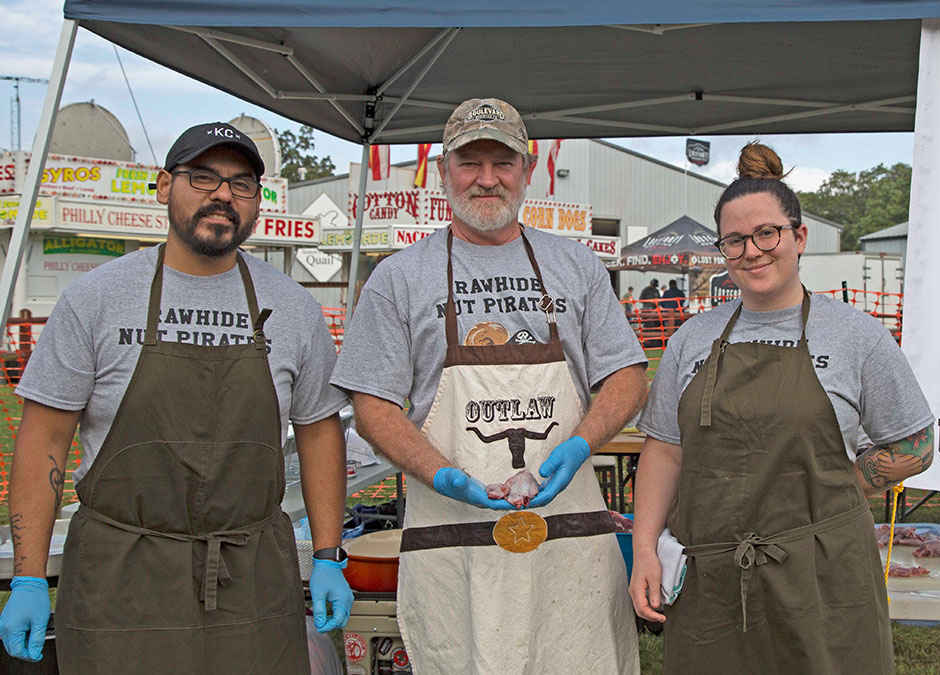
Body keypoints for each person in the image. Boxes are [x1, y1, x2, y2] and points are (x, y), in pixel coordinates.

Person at [0, 123, 354, 672]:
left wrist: (329, 554)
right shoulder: (95, 299)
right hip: (122, 579)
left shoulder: (294, 309)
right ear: (164, 186)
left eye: (241, 184)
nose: (222, 195)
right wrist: (26, 575)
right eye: (203, 177)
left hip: (252, 577)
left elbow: (318, 431)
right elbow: (44, 437)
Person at [332, 98, 646, 674]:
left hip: (566, 535)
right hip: (453, 536)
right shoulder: (398, 278)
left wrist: (579, 446)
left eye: (502, 162)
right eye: (469, 162)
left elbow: (627, 376)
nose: (486, 178)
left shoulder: (574, 266)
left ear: (527, 170)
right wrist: (440, 473)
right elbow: (373, 404)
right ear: (443, 172)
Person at [628, 142, 935, 674]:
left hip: (825, 577)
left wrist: (845, 483)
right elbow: (664, 452)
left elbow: (918, 444)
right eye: (734, 240)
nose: (752, 251)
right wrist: (645, 549)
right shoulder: (690, 339)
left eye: (766, 233)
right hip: (714, 583)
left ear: (798, 236)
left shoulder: (855, 335)